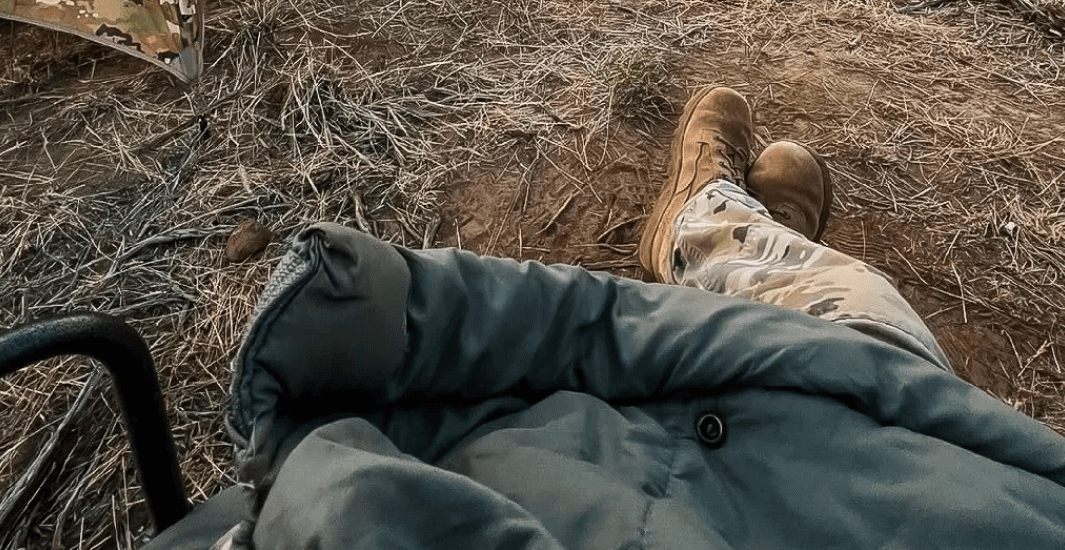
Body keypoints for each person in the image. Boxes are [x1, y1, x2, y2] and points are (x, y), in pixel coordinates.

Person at [151, 87, 1065, 550]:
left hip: (769, 414)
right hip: (884, 413)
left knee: (811, 294)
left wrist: (377, 316)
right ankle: (738, 231)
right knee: (854, 306)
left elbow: (587, 323)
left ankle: (719, 222)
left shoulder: (333, 504)